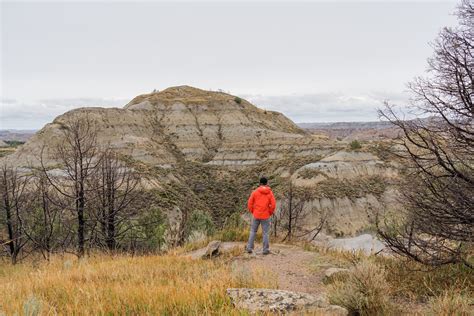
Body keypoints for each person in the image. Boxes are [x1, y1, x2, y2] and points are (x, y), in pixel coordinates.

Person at [246, 177, 276, 255]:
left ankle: (249, 248)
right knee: (265, 233)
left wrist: (253, 211)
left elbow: (249, 203)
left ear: (260, 183)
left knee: (253, 231)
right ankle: (265, 250)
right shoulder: (270, 193)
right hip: (265, 216)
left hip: (256, 215)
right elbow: (273, 205)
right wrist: (269, 212)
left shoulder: (255, 192)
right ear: (267, 183)